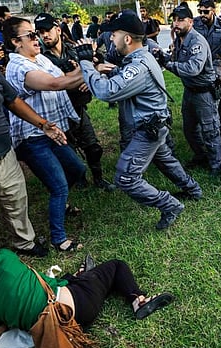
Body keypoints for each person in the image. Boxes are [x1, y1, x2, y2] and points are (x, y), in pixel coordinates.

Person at [77, 10, 202, 230]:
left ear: (126, 38)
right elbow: (125, 76)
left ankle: (169, 205)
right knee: (165, 160)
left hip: (148, 129)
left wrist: (86, 64)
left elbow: (107, 92)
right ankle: (193, 190)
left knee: (125, 178)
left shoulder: (138, 66)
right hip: (155, 124)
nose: (111, 40)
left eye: (113, 35)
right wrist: (105, 68)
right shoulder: (141, 57)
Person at [3, 17, 87, 252]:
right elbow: (53, 84)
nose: (37, 38)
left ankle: (62, 204)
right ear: (15, 42)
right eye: (30, 35)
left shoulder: (39, 58)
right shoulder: (18, 66)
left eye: (36, 33)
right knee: (58, 185)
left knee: (77, 169)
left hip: (52, 131)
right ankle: (59, 240)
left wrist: (83, 76)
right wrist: (87, 71)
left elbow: (65, 80)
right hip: (32, 137)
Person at [0, 247, 175, 348]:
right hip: (80, 305)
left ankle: (81, 275)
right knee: (116, 266)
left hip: (54, 333)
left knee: (68, 280)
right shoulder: (5, 257)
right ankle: (138, 301)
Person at [0, 60, 68, 257]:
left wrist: (42, 124)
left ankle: (25, 243)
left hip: (4, 154)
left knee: (16, 202)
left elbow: (13, 100)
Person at [34, 13, 116, 192]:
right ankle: (79, 180)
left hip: (78, 108)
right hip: (57, 111)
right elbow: (51, 83)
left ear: (57, 29)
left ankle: (98, 178)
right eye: (40, 32)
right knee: (68, 152)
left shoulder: (73, 49)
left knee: (93, 147)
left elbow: (99, 62)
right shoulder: (41, 58)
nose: (44, 35)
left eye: (47, 30)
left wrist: (90, 76)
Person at [159, 4, 221, 176]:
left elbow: (192, 68)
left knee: (210, 131)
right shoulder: (180, 40)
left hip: (204, 93)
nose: (176, 24)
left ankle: (216, 165)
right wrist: (164, 57)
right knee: (190, 129)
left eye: (180, 20)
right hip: (190, 91)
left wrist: (168, 64)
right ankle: (201, 155)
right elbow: (176, 60)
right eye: (174, 20)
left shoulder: (197, 41)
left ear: (190, 22)